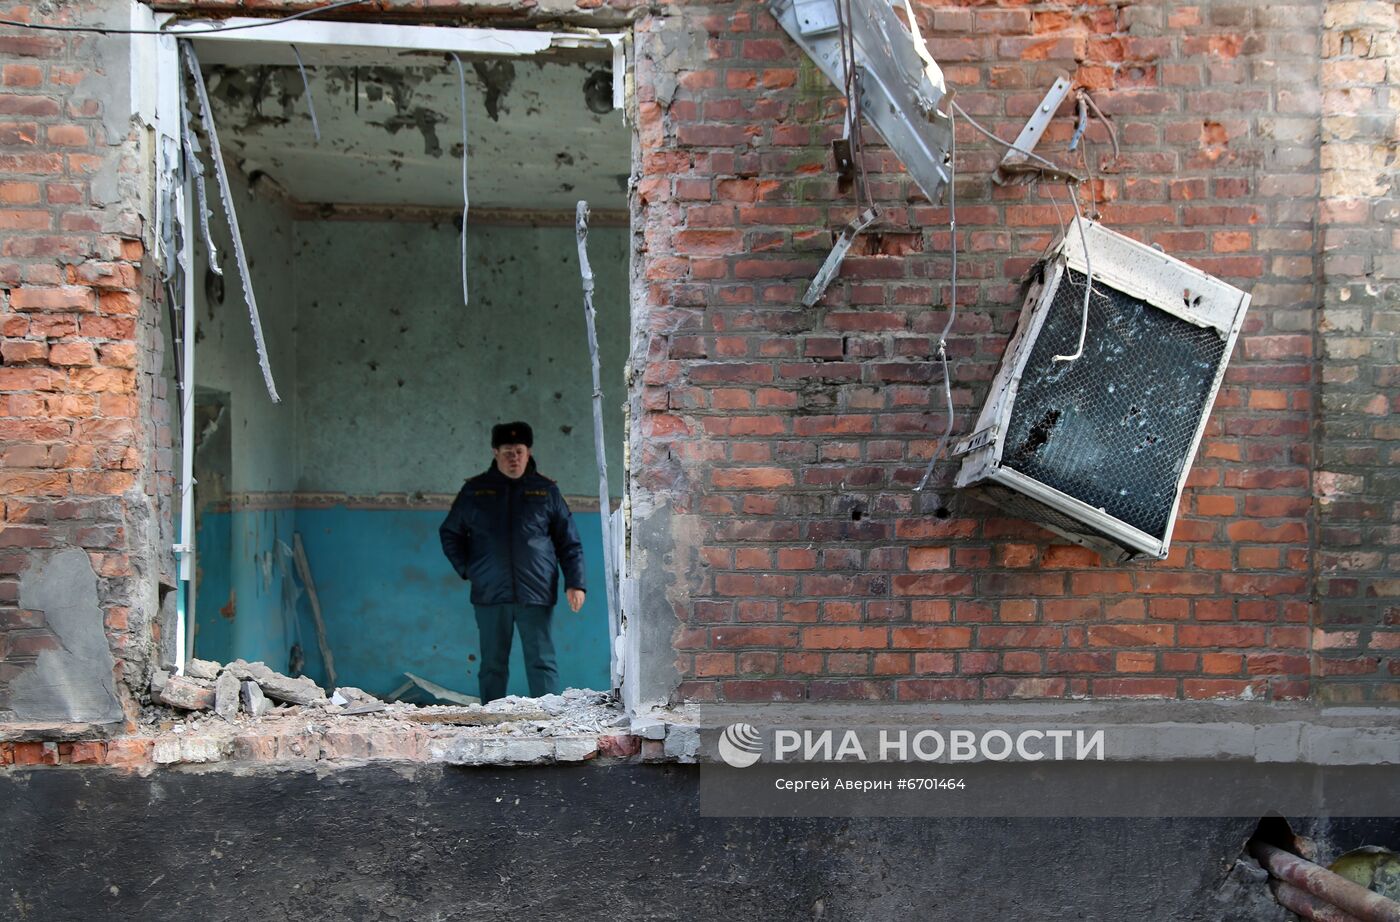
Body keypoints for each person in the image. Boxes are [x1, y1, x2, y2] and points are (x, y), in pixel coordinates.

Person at [439, 421, 586, 703]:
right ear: (495, 452)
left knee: (542, 661)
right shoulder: (475, 491)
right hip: (490, 593)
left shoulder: (546, 491)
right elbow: (450, 532)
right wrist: (468, 569)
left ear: (528, 452)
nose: (513, 457)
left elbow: (569, 542)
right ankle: (492, 719)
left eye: (519, 451)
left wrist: (575, 582)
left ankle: (550, 719)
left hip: (537, 591)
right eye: (507, 451)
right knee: (492, 664)